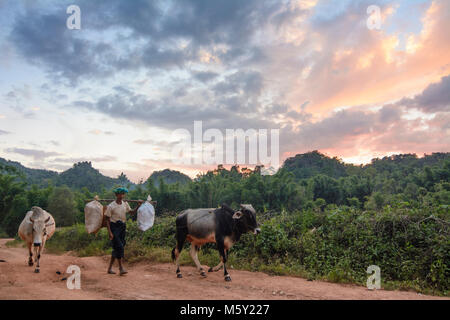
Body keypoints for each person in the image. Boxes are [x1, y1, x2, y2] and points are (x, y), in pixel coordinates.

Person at [105, 187, 142, 275]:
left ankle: (109, 269)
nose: (121, 196)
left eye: (123, 194)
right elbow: (107, 219)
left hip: (122, 227)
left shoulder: (125, 204)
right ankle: (121, 268)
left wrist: (138, 206)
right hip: (114, 227)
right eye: (119, 194)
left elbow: (131, 212)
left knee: (117, 248)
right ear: (116, 195)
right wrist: (110, 232)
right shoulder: (111, 206)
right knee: (120, 246)